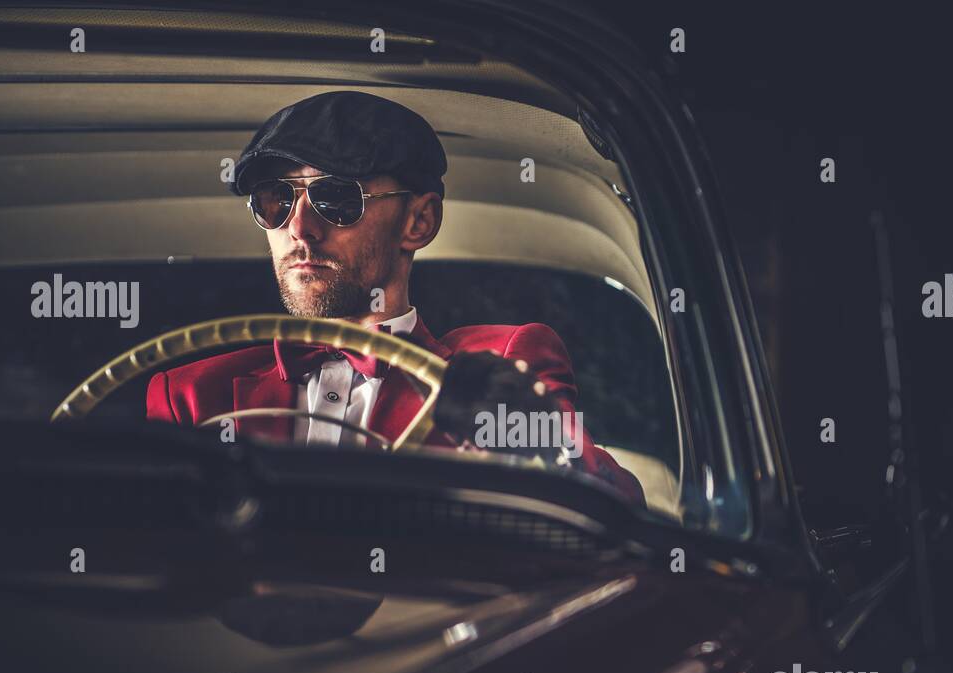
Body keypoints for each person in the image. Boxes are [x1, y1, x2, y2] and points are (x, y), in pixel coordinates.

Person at [146, 91, 642, 505]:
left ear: (418, 222)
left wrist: (547, 442)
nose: (299, 227)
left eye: (336, 198)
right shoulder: (190, 395)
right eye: (275, 201)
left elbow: (616, 513)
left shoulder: (496, 365)